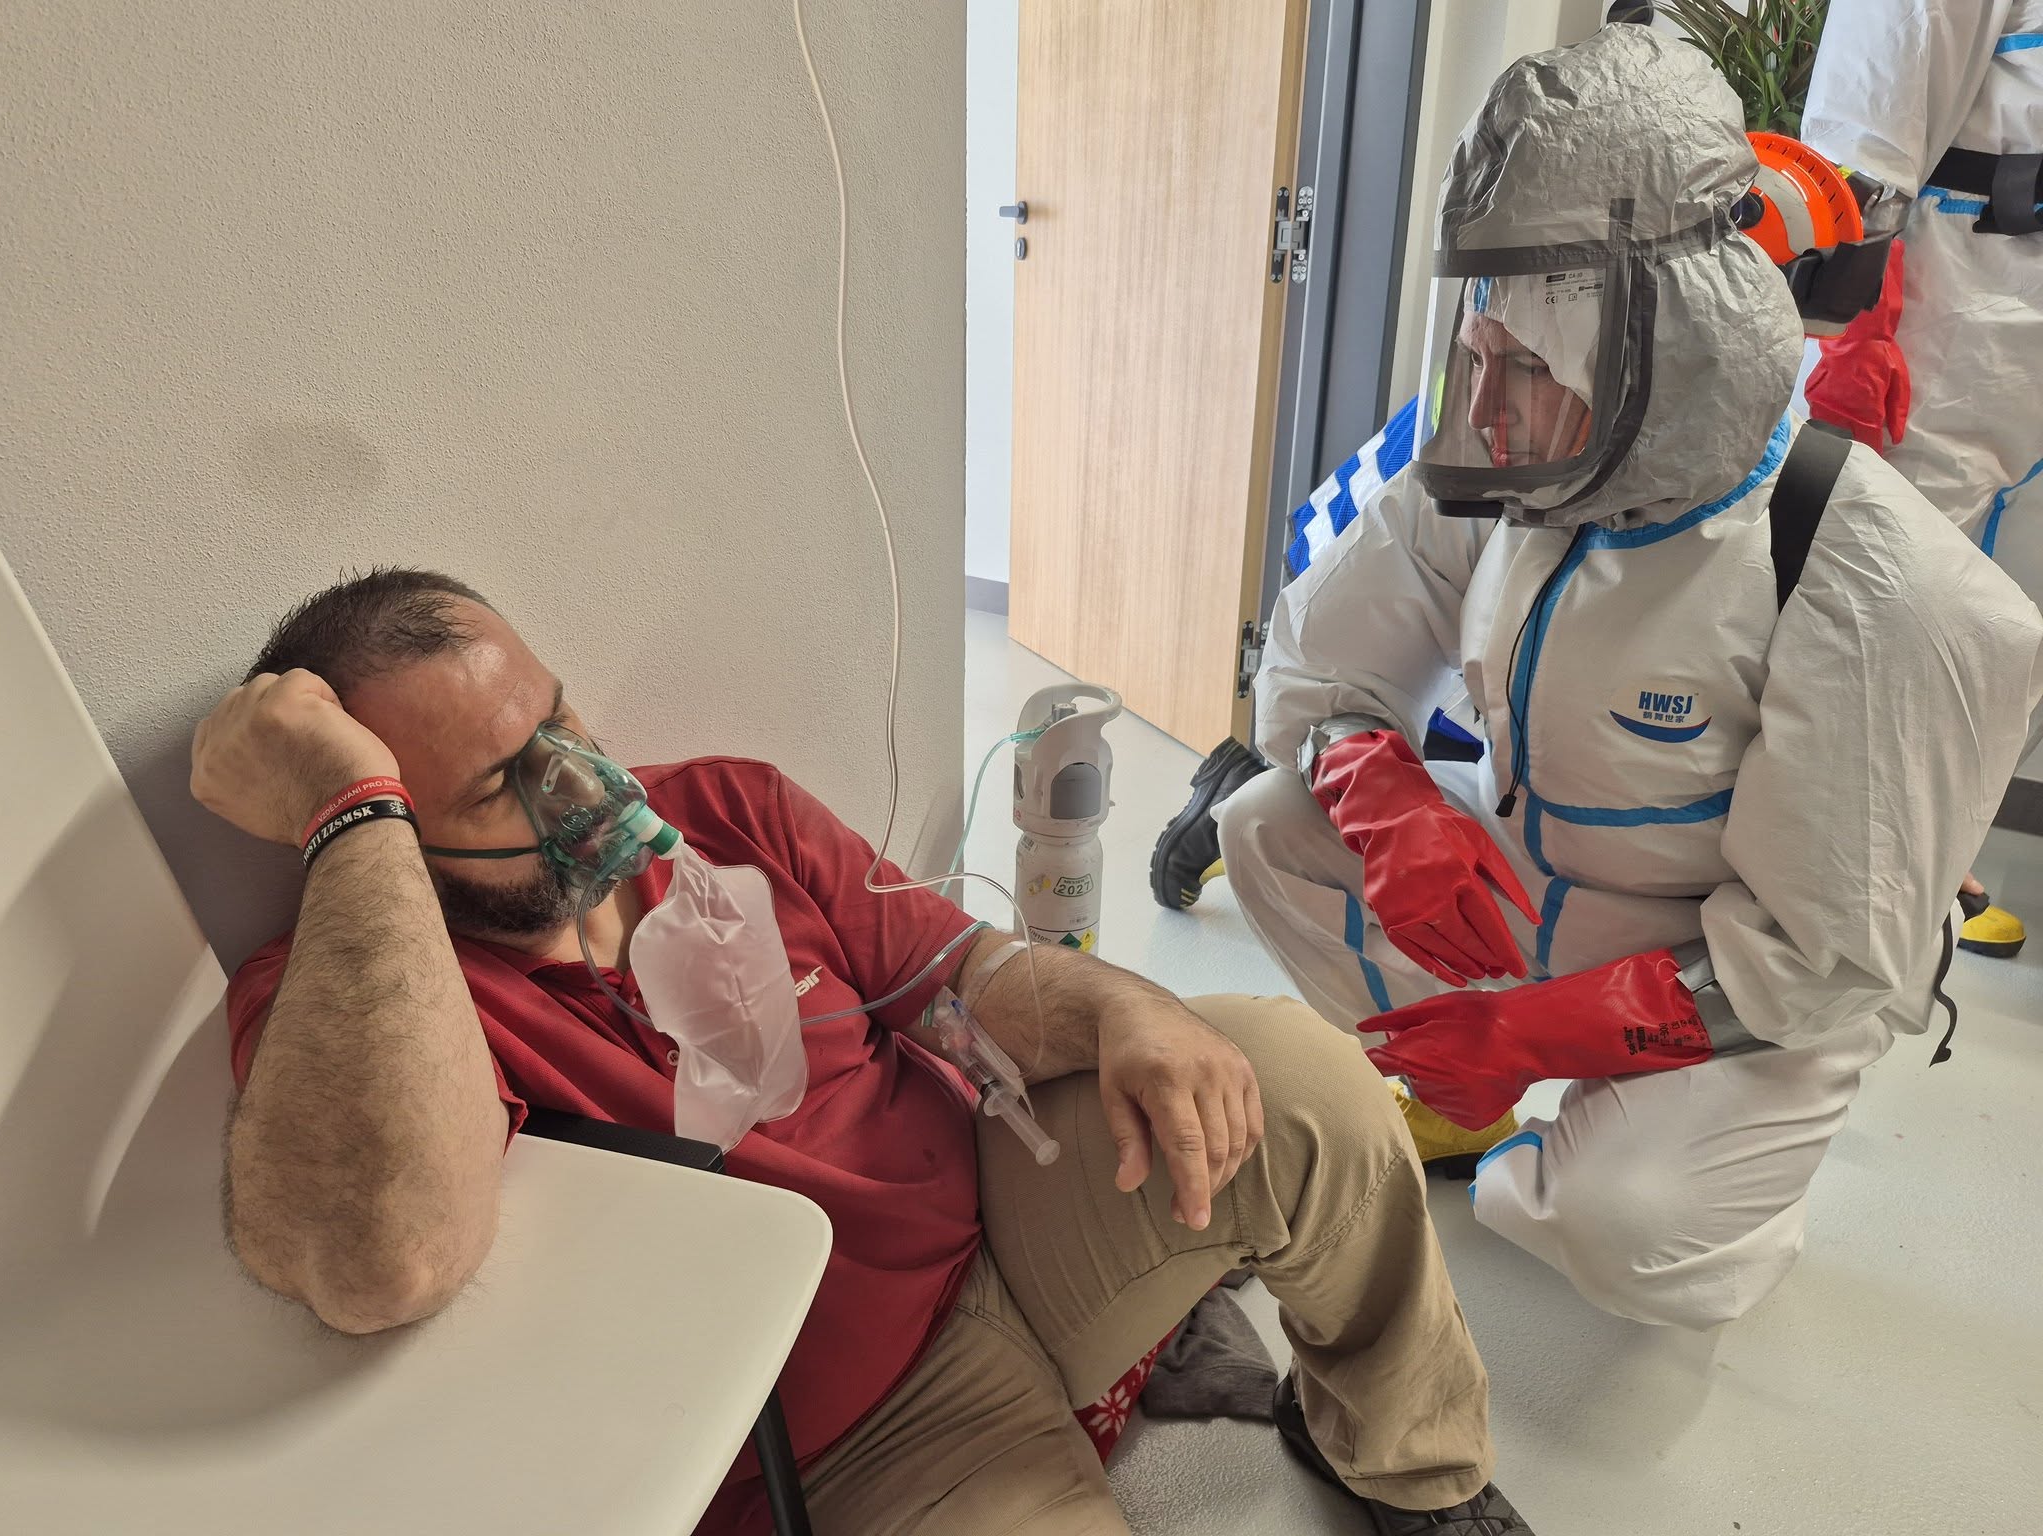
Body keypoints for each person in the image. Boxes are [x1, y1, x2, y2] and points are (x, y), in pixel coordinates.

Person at [192, 568, 1532, 1535]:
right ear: (390, 830)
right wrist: (349, 815)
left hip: (1003, 1225)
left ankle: (1413, 1470)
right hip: (865, 1433)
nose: (585, 787)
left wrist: (1130, 1011)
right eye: (502, 783)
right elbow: (384, 1258)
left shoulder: (724, 811)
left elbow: (963, 977)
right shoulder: (352, 1008)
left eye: (561, 723)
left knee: (1296, 1080)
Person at [1216, 24, 2043, 1330]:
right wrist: (1384, 801)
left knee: (1624, 1223)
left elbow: (1809, 960)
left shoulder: (1859, 571)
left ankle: (1702, 1179)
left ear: (1667, 354)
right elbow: (1322, 666)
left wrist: (1526, 1036)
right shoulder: (1514, 453)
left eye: (1526, 366)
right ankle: (1461, 1097)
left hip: (1731, 963)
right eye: (1478, 349)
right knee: (1268, 827)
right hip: (1537, 881)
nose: (1485, 400)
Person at [1800, 0, 2043, 959]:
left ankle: (1934, 855)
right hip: (1953, 323)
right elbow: (1862, 135)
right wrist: (1855, 331)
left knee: (2009, 624)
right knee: (1893, 601)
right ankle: (1844, 884)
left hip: (2021, 336)